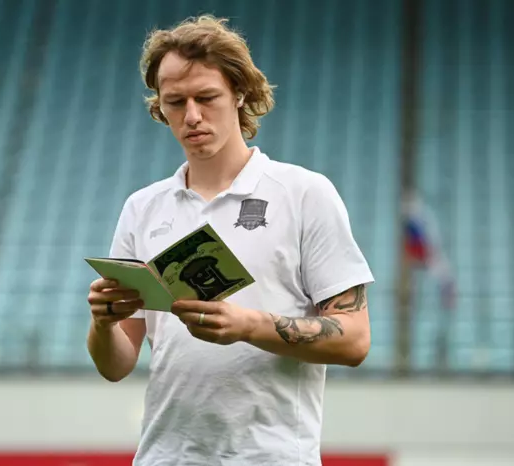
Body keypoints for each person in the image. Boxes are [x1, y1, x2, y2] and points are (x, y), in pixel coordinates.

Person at [86, 15, 374, 466]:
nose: (192, 116)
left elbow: (354, 340)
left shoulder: (303, 193)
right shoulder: (142, 208)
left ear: (239, 93)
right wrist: (103, 324)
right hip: (165, 457)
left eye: (206, 97)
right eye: (175, 102)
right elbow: (116, 365)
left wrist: (247, 326)